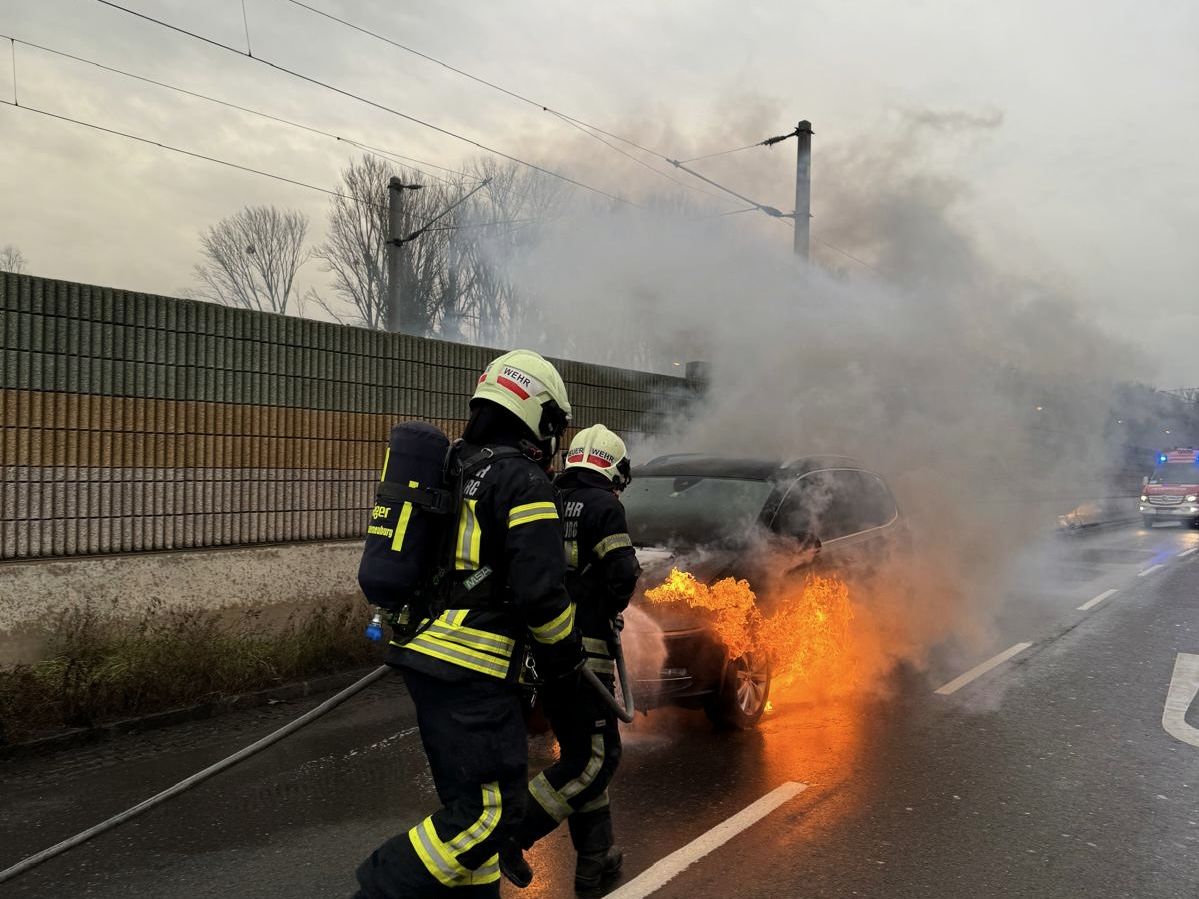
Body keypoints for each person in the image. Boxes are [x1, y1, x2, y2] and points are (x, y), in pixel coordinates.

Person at [355, 349, 583, 899]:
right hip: (475, 672)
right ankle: (376, 891)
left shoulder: (458, 467)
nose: (554, 441)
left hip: (432, 658)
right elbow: (543, 593)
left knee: (467, 813)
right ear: (535, 414)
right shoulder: (524, 481)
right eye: (553, 426)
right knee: (492, 817)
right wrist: (567, 664)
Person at [500, 424, 642, 896]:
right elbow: (623, 574)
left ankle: (595, 862)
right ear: (613, 469)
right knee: (597, 760)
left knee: (582, 754)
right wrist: (603, 608)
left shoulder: (550, 497)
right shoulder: (605, 506)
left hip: (545, 652)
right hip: (588, 656)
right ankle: (514, 834)